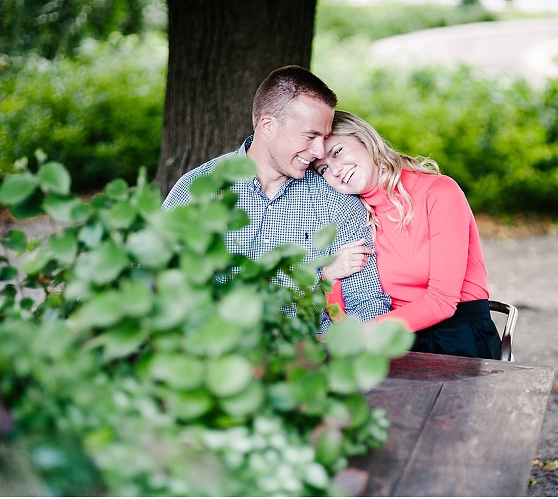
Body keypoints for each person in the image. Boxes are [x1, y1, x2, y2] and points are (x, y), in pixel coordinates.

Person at [161, 66, 390, 333]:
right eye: (311, 136)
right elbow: (156, 282)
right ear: (268, 125)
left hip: (309, 355)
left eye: (325, 138)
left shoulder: (335, 198)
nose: (319, 152)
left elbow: (368, 302)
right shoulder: (197, 190)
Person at [313, 110, 501, 359]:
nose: (335, 170)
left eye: (337, 152)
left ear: (363, 138)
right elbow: (346, 301)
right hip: (397, 338)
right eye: (323, 169)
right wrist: (328, 274)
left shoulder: (439, 192)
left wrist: (358, 334)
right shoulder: (355, 216)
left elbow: (442, 302)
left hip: (458, 337)